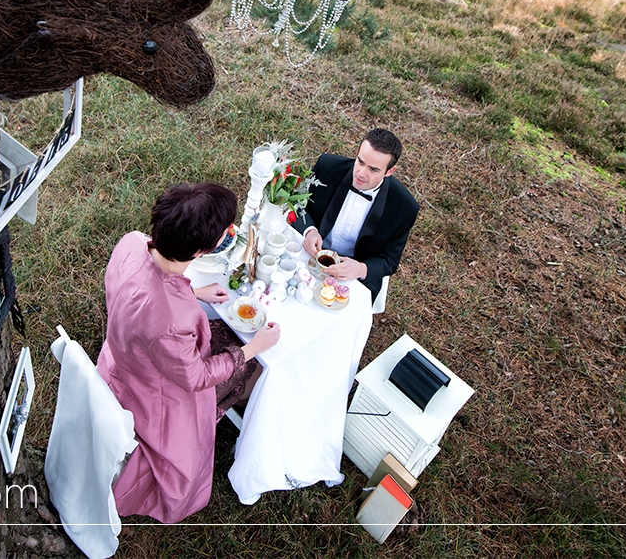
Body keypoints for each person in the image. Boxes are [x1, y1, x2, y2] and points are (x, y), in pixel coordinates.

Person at [96, 182, 280, 523]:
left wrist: (192, 292)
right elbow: (196, 377)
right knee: (257, 368)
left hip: (121, 356)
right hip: (153, 397)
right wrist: (253, 349)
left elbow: (147, 291)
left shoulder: (132, 242)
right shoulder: (173, 323)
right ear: (201, 252)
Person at [295, 128, 419, 313]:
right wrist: (309, 230)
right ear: (358, 150)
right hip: (308, 253)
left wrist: (361, 269)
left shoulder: (404, 207)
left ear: (390, 171)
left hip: (353, 276)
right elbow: (296, 203)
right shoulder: (327, 166)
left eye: (374, 169)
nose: (361, 173)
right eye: (360, 161)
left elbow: (390, 261)